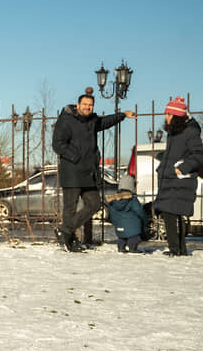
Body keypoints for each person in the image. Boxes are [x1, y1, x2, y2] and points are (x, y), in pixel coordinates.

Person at [52, 88, 134, 252]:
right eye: (85, 104)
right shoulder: (66, 120)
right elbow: (58, 144)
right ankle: (69, 240)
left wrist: (123, 115)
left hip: (89, 172)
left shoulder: (92, 120)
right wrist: (76, 157)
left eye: (90, 105)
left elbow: (105, 122)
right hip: (72, 171)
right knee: (70, 207)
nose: (88, 107)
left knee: (95, 204)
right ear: (78, 105)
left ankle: (65, 231)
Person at [153, 96, 203, 256]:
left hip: (180, 178)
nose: (165, 117)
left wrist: (181, 168)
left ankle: (176, 249)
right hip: (170, 178)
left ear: (177, 116)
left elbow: (198, 155)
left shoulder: (190, 132)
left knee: (172, 213)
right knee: (172, 213)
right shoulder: (174, 132)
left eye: (168, 114)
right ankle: (179, 249)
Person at [106, 174, 148, 253]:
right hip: (132, 226)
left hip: (119, 225)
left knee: (122, 237)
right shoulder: (132, 199)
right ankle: (132, 248)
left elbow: (111, 212)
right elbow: (139, 211)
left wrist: (115, 222)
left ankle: (121, 247)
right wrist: (145, 219)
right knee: (134, 237)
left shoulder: (113, 199)